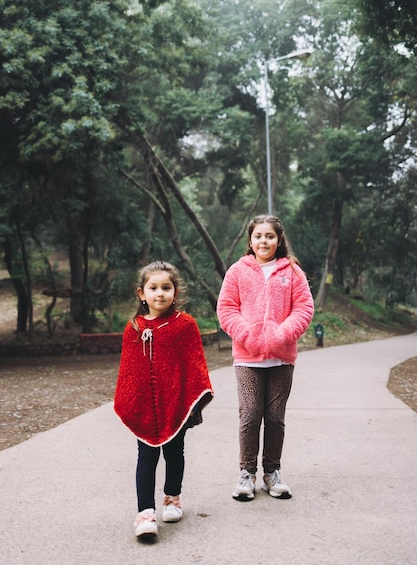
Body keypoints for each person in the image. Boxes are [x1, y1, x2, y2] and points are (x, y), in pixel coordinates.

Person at [217, 214, 314, 501]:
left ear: (279, 240)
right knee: (249, 415)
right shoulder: (237, 271)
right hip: (247, 359)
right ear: (250, 240)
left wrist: (280, 334)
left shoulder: (292, 272)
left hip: (282, 358)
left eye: (270, 236)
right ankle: (246, 474)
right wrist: (248, 335)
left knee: (275, 417)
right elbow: (226, 309)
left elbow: (304, 309)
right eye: (258, 236)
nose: (264, 241)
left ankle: (272, 473)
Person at [114, 260, 213, 539]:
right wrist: (130, 401)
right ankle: (145, 513)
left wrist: (192, 402)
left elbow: (194, 366)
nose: (160, 293)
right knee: (146, 457)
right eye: (153, 288)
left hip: (176, 404)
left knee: (174, 452)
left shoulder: (185, 325)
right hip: (145, 407)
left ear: (175, 291)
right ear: (141, 293)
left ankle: (172, 498)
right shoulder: (133, 327)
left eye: (166, 288)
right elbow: (129, 372)